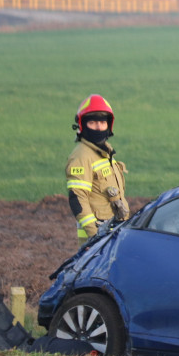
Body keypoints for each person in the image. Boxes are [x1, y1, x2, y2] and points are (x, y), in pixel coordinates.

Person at [65, 94, 128, 244]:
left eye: (102, 122)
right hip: (97, 236)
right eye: (92, 123)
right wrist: (94, 236)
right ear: (82, 125)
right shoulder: (81, 156)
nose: (98, 127)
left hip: (113, 230)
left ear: (109, 125)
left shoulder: (104, 152)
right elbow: (78, 198)